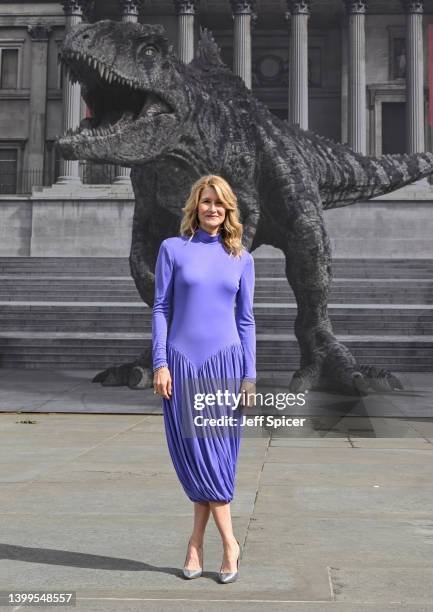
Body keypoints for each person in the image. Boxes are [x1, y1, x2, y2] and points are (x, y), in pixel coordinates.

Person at [152, 175, 256, 584]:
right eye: (206, 202)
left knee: (215, 460)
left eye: (221, 204)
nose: (213, 209)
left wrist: (249, 376)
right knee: (197, 458)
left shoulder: (242, 258)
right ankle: (221, 543)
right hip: (181, 366)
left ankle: (208, 543)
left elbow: (246, 320)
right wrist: (160, 363)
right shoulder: (172, 250)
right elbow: (160, 308)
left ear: (229, 210)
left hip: (225, 368)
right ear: (195, 206)